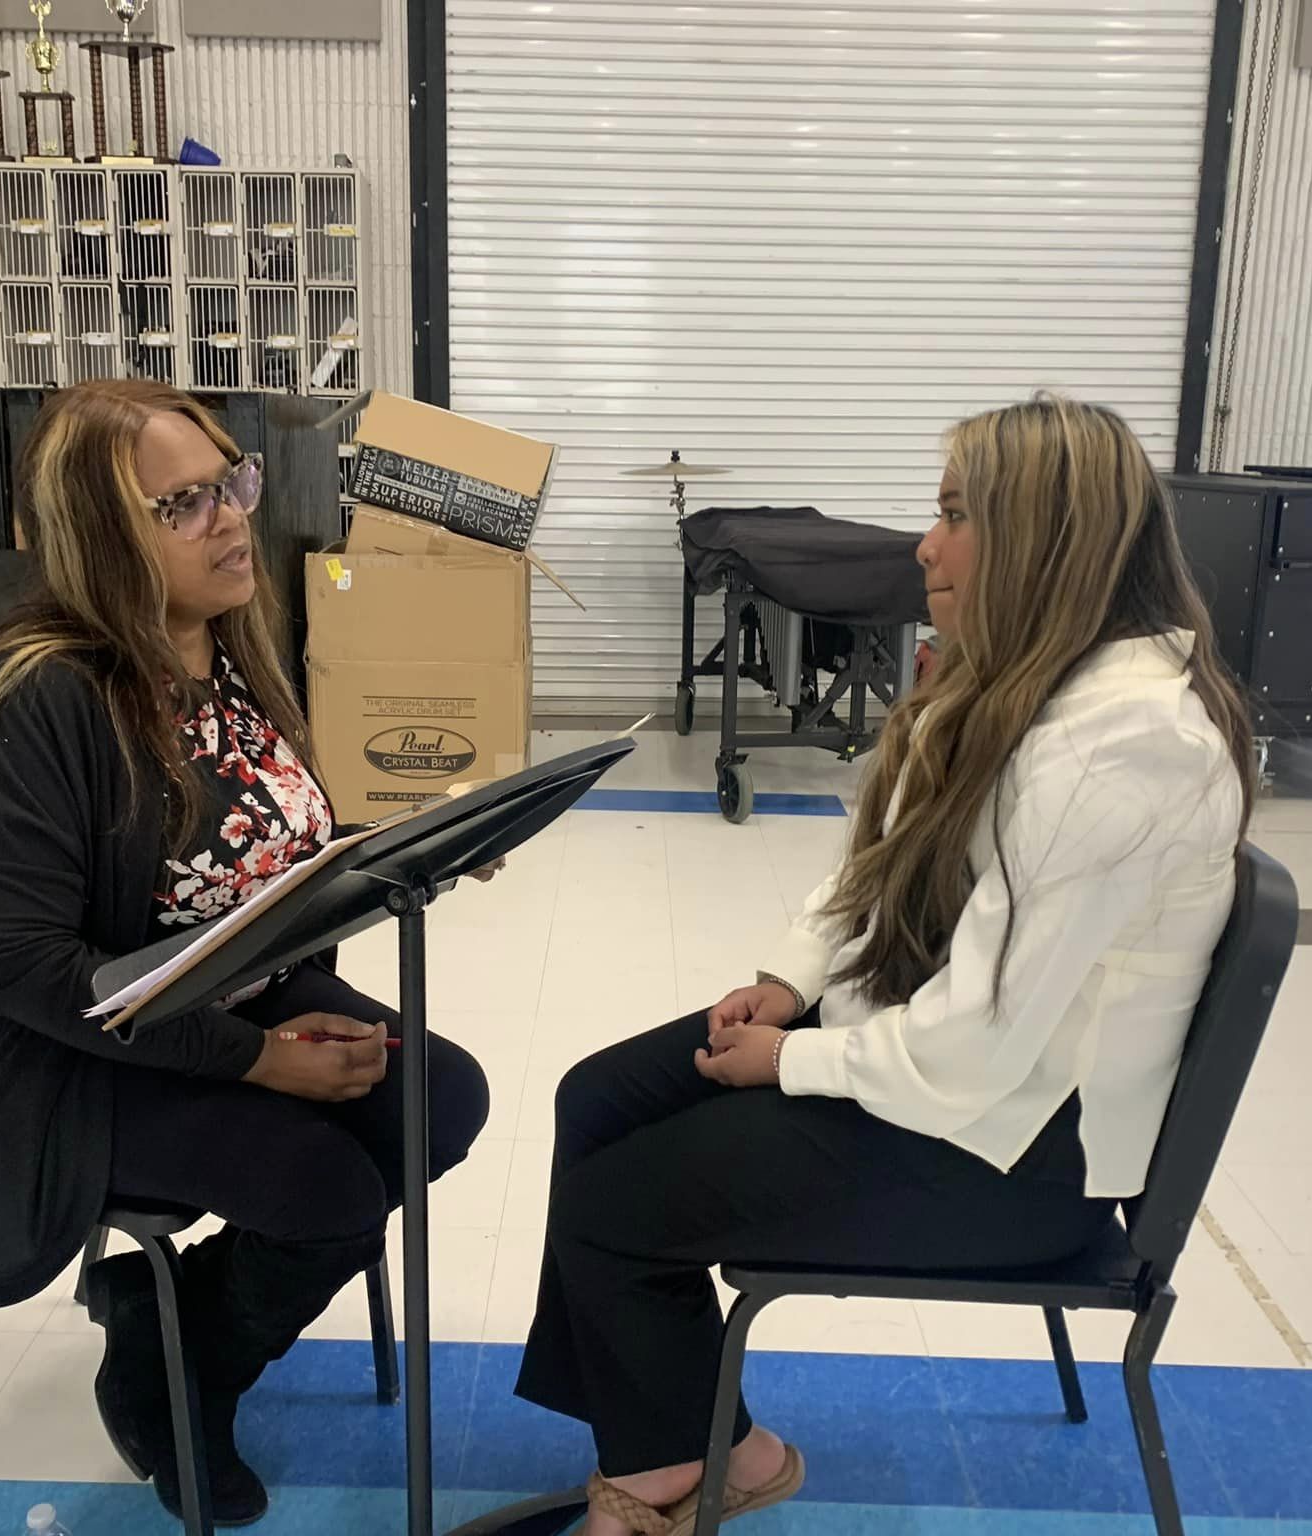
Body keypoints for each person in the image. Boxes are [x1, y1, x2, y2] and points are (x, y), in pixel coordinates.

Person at [513, 394, 1253, 1536]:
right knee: (594, 1098)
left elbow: (978, 1042)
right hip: (950, 1083)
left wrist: (791, 1064)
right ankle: (674, 1434)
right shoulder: (1013, 682)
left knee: (614, 1205)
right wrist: (791, 984)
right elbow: (871, 872)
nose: (923, 543)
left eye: (955, 515)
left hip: (1011, 1156)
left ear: (1040, 544)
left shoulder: (1124, 745)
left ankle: (681, 1463)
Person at [0, 379, 490, 1526]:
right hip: (57, 1061)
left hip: (208, 996)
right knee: (325, 1192)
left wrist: (397, 854)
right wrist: (254, 1062)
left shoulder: (221, 649)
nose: (230, 518)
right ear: (99, 537)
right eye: (181, 504)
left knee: (438, 1099)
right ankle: (177, 1368)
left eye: (230, 483)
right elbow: (16, 968)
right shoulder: (41, 697)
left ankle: (176, 1312)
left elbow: (249, 855)